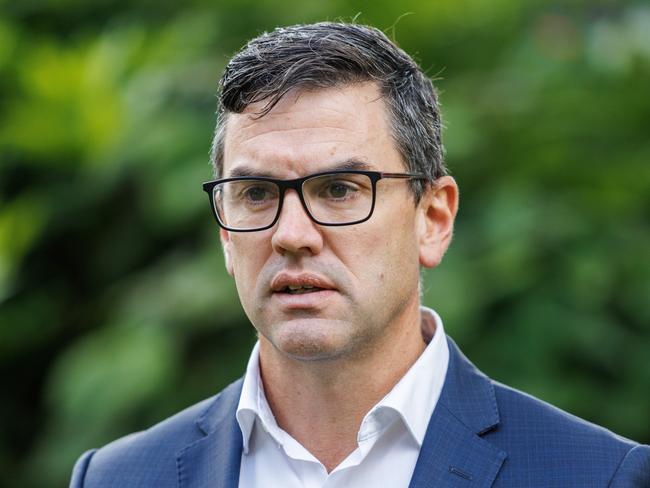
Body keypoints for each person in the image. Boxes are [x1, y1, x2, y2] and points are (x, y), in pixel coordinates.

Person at [70, 22, 650, 487]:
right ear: (226, 235)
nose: (292, 234)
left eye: (340, 190)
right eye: (256, 194)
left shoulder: (598, 475)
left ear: (433, 219)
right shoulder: (116, 478)